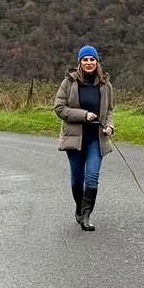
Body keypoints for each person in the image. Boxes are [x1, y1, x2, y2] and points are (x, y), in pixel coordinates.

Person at [54, 45, 114, 231]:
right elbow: (59, 108)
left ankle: (87, 215)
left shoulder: (105, 85)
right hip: (75, 137)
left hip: (96, 138)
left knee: (92, 176)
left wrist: (110, 127)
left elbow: (109, 110)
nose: (89, 63)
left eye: (92, 59)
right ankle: (79, 209)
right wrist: (83, 115)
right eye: (85, 60)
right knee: (77, 179)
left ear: (97, 62)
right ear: (80, 62)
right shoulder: (68, 83)